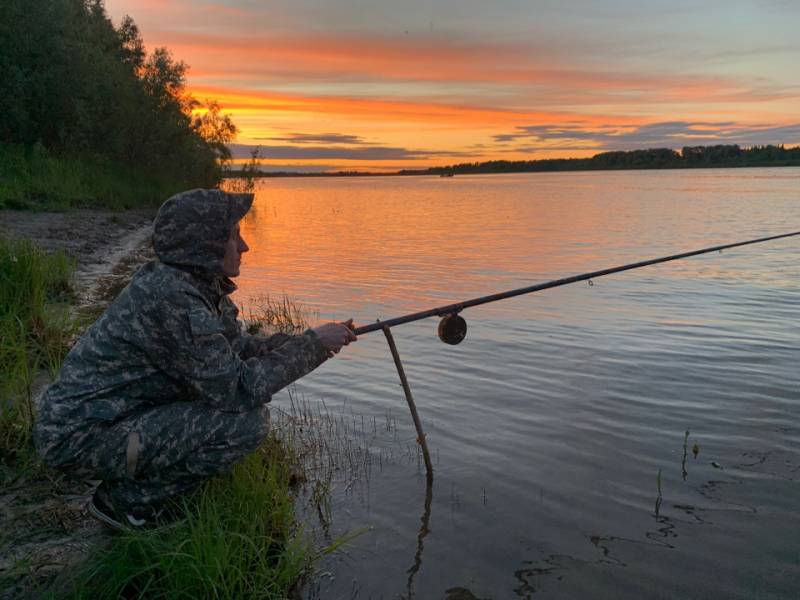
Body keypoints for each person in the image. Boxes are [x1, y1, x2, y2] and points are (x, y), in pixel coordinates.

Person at [34, 189, 357, 530]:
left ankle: (136, 486)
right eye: (235, 237)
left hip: (108, 420)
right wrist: (312, 347)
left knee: (222, 407)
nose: (245, 246)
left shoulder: (194, 286)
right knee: (246, 424)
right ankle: (125, 502)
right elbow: (237, 390)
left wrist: (309, 340)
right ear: (205, 244)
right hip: (79, 437)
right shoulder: (174, 300)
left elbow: (237, 348)